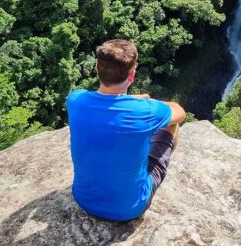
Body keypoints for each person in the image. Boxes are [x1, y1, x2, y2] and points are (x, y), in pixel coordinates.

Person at [66, 39, 186, 222]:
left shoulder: (75, 100)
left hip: (84, 200)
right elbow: (179, 112)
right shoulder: (145, 111)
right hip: (129, 209)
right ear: (131, 76)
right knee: (171, 123)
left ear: (97, 70)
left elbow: (107, 109)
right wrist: (146, 102)